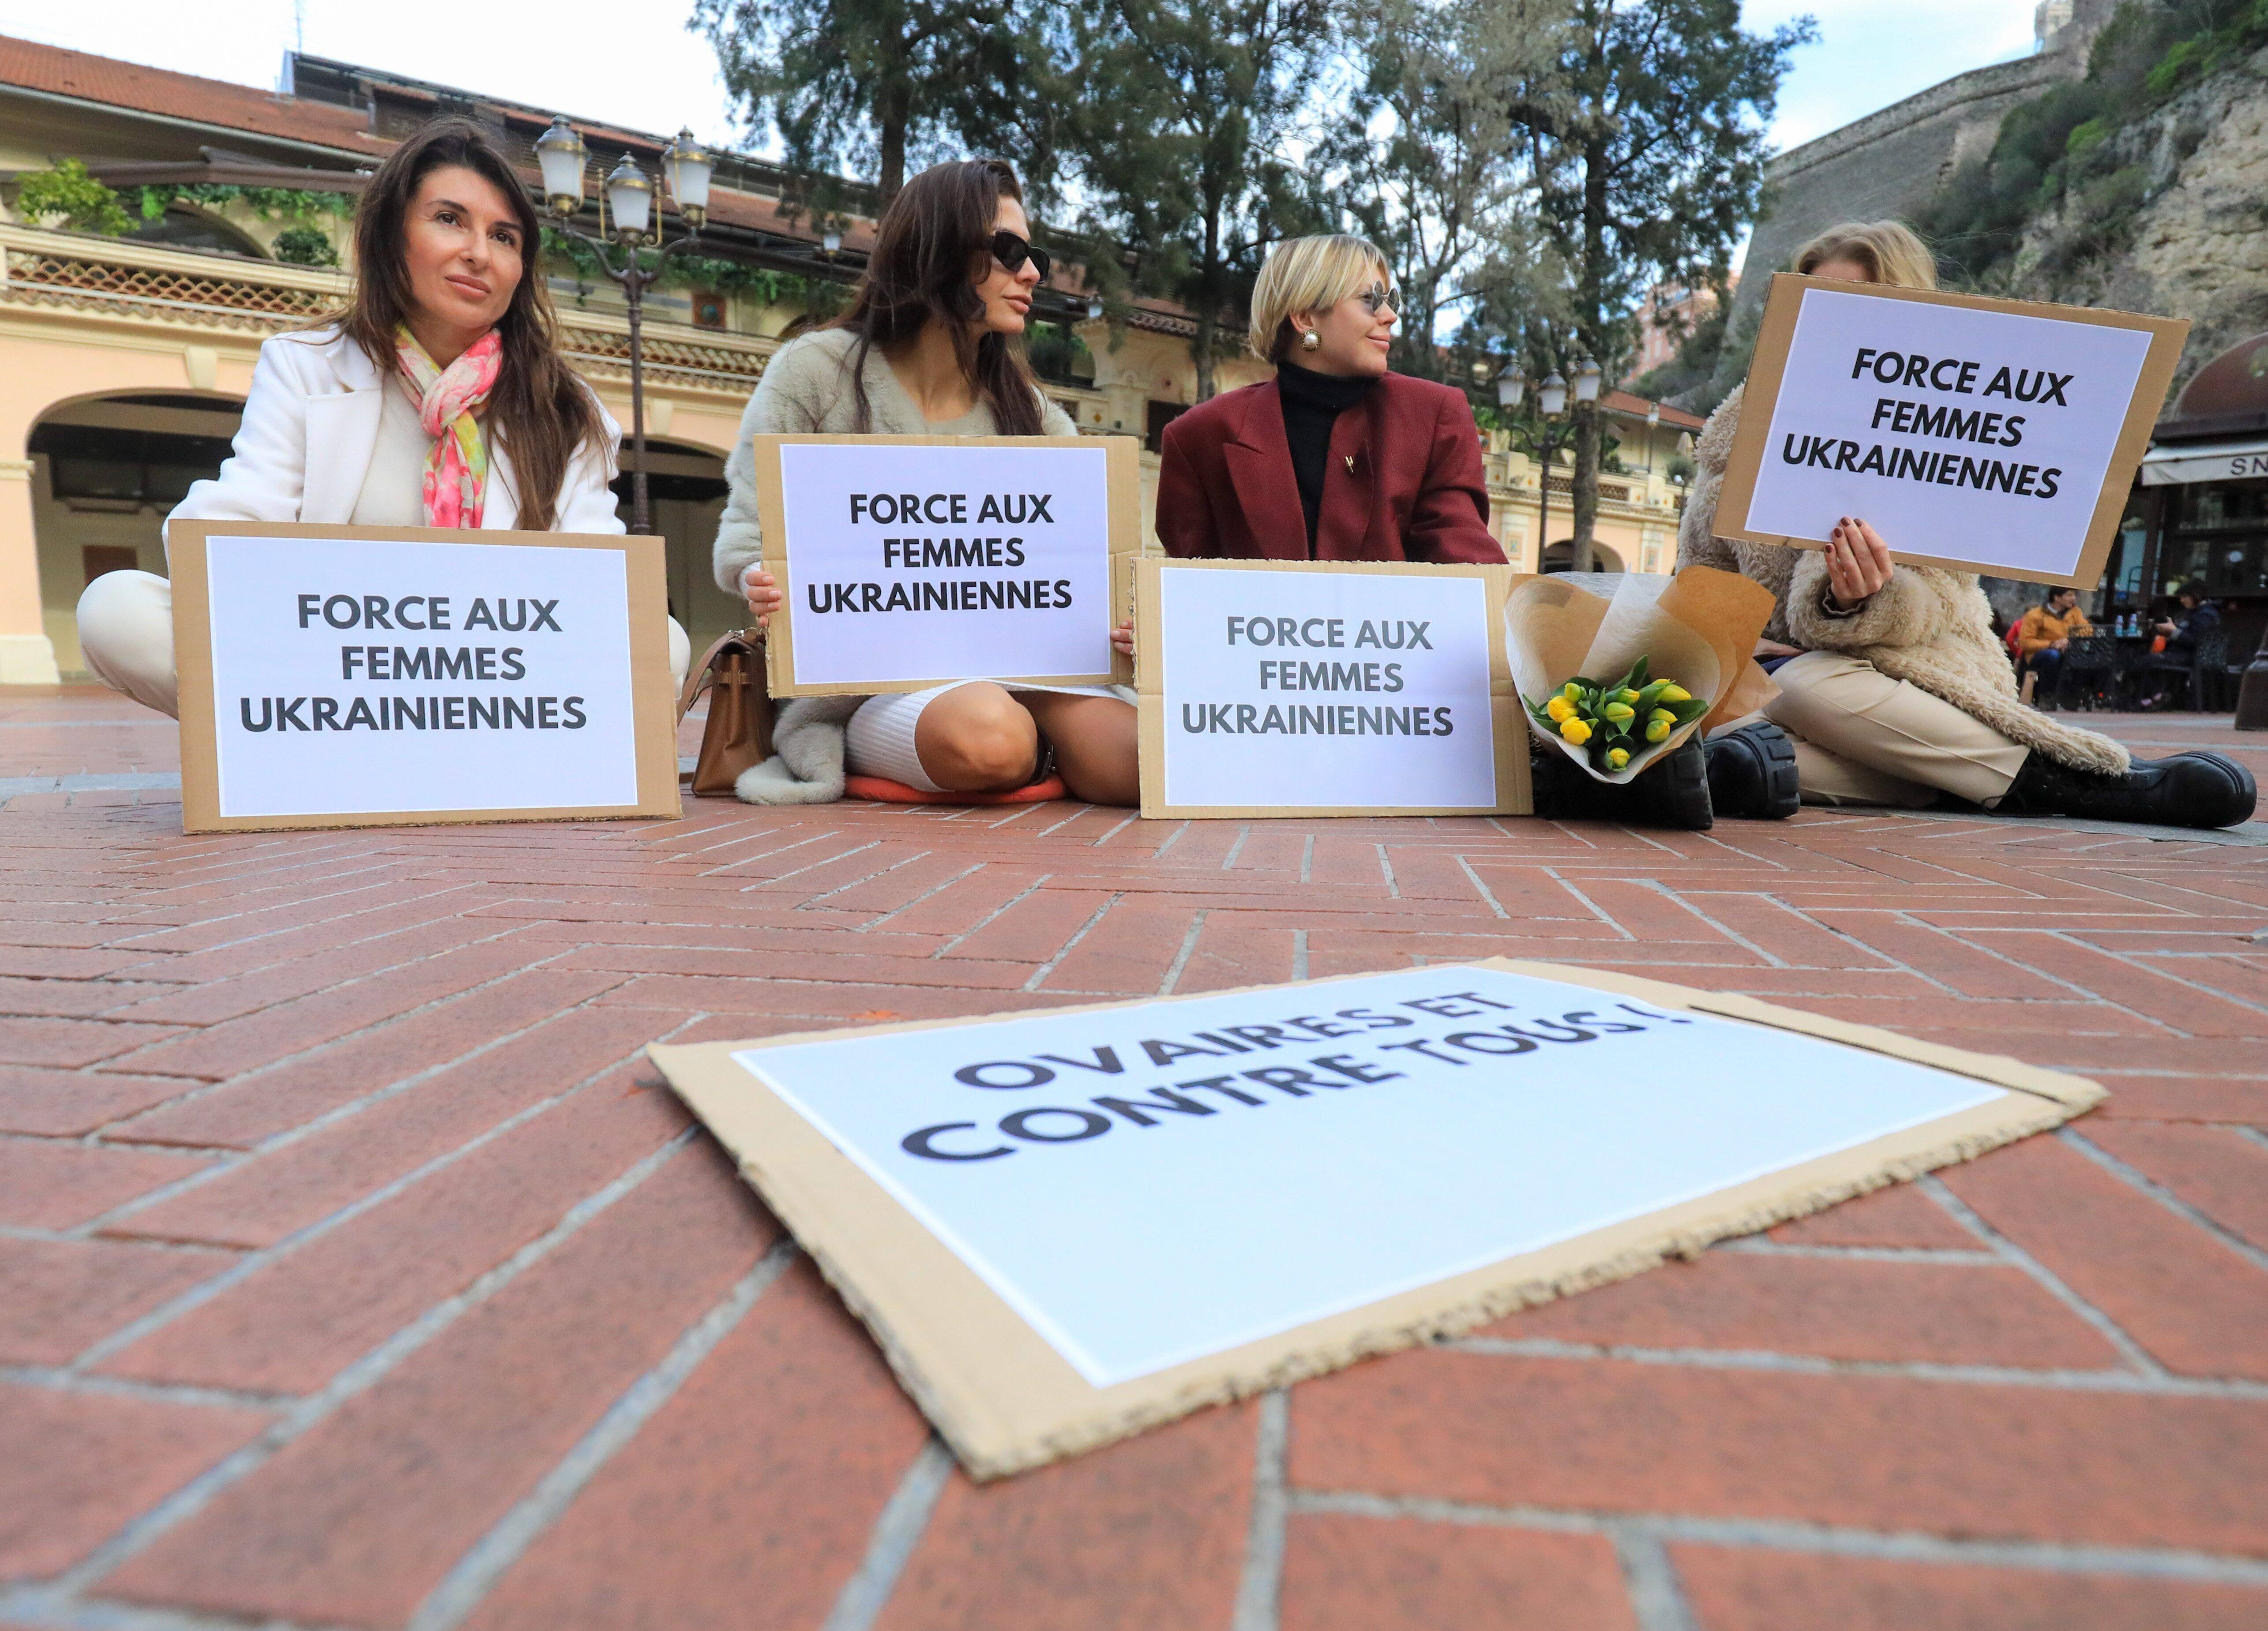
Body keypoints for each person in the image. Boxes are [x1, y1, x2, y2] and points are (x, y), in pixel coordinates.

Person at [75, 119, 686, 716]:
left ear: (521, 269)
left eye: (504, 237)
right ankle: (349, 746)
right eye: (449, 220)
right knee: (115, 609)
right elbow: (232, 525)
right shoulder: (306, 367)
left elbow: (598, 581)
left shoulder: (566, 408)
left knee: (665, 642)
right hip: (334, 672)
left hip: (505, 677)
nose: (478, 254)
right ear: (393, 236)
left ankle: (450, 753)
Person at [1680, 221, 2255, 829]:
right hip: (1768, 691)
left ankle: (2087, 779)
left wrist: (1860, 601)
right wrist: (1734, 646)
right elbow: (1698, 596)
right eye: (1818, 303)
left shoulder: (1944, 433)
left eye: (1861, 304)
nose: (1838, 321)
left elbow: (1942, 606)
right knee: (1737, 730)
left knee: (1806, 689)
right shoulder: (1734, 448)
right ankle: (1980, 778)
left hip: (1901, 681)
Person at [715, 159, 1137, 806]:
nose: (1031, 273)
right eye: (1010, 251)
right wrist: (761, 582)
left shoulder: (1031, 411)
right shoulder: (814, 371)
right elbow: (747, 538)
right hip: (874, 685)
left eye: (1036, 256)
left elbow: (1100, 562)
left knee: (1152, 763)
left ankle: (1045, 750)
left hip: (1034, 673)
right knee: (990, 737)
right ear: (939, 247)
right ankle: (1030, 755)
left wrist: (1125, 617)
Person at [1152, 233, 1501, 565]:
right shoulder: (1199, 437)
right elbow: (1187, 596)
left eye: (1391, 301)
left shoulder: (1434, 415)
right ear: (1305, 317)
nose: (1391, 316)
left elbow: (1469, 571)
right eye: (1371, 300)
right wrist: (1146, 626)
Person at [2133, 581, 2221, 708]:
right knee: (2142, 658)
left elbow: (2195, 641)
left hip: (2192, 656)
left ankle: (2156, 695)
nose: (2182, 601)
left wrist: (2173, 631)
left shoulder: (2205, 615)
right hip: (2184, 654)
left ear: (2196, 596)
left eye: (2185, 597)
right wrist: (2169, 631)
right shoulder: (2197, 613)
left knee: (2143, 662)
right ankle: (2157, 695)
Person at [2014, 585, 2093, 703]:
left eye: (2075, 595)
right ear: (2057, 598)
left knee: (2092, 657)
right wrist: (2052, 644)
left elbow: (2088, 630)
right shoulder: (2035, 615)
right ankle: (2047, 695)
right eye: (2070, 595)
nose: (2074, 599)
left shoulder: (2075, 612)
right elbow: (2025, 642)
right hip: (2039, 654)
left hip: (2066, 651)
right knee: (2052, 656)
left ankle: (2074, 697)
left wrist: (2068, 640)